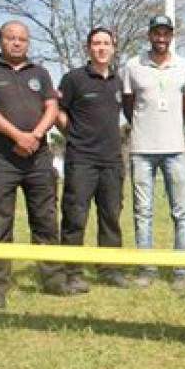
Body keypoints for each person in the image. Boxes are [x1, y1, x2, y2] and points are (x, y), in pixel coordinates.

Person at [0, 20, 65, 308]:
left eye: (22, 39)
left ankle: (53, 279)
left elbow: (52, 107)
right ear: (0, 41)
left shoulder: (41, 73)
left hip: (38, 157)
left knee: (46, 219)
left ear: (28, 43)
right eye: (10, 38)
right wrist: (17, 136)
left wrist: (35, 135)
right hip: (1, 159)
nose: (16, 43)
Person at [121, 15, 185, 291]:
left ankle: (181, 271)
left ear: (171, 36)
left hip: (175, 149)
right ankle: (146, 269)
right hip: (142, 150)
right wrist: (145, 128)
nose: (161, 38)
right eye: (156, 33)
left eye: (166, 33)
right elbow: (128, 107)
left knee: (181, 212)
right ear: (149, 35)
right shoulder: (132, 66)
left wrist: (173, 128)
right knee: (143, 212)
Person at [56, 27, 128, 290]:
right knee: (75, 216)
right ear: (88, 48)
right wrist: (74, 135)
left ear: (113, 48)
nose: (101, 48)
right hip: (81, 159)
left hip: (112, 160)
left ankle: (110, 269)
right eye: (96, 43)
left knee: (111, 217)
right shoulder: (73, 79)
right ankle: (71, 271)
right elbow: (57, 112)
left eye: (106, 43)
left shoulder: (119, 81)